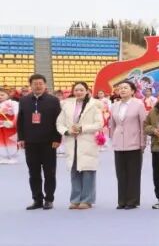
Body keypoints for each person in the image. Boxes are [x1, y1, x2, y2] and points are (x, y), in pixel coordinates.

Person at [16, 74, 62, 210]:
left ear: (45, 85)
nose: (38, 86)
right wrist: (21, 138)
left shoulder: (53, 100)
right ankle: (37, 199)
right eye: (35, 83)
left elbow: (58, 121)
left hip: (49, 142)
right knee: (33, 173)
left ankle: (49, 199)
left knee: (49, 173)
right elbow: (20, 121)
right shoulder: (23, 100)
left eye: (40, 83)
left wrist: (57, 138)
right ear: (31, 85)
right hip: (30, 142)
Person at [56, 82, 104, 210]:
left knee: (87, 171)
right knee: (74, 171)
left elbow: (99, 124)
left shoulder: (94, 105)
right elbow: (59, 123)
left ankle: (87, 200)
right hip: (72, 141)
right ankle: (75, 199)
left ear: (87, 91)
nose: (78, 92)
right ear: (73, 91)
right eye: (76, 90)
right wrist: (67, 131)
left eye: (81, 90)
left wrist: (82, 128)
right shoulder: (67, 105)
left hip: (87, 141)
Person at [109, 80, 148, 210]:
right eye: (120, 88)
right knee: (120, 173)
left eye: (126, 88)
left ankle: (132, 200)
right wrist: (113, 139)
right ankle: (122, 201)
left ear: (132, 91)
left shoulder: (138, 105)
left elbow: (143, 124)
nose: (122, 90)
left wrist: (143, 142)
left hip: (134, 143)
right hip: (118, 143)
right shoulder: (114, 105)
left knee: (133, 173)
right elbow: (112, 124)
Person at [0, 88, 19, 164]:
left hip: (10, 126)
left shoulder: (13, 103)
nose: (0, 96)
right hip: (1, 126)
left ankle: (13, 156)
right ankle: (3, 156)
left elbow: (17, 113)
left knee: (11, 140)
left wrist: (13, 122)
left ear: (8, 95)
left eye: (2, 95)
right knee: (1, 141)